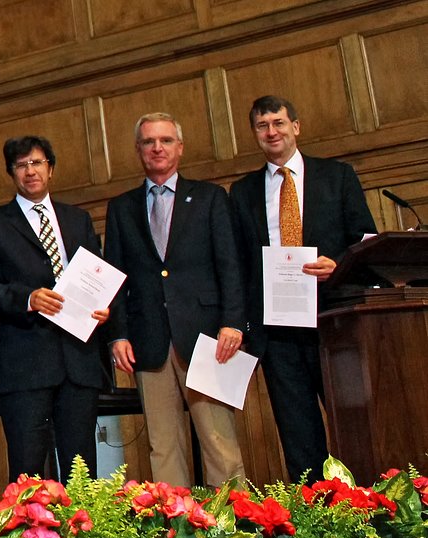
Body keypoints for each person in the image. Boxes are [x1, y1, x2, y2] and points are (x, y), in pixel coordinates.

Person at [229, 95, 377, 482]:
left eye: (278, 122)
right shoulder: (241, 192)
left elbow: (367, 241)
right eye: (262, 126)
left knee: (355, 429)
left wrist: (339, 265)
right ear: (255, 134)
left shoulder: (337, 176)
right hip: (277, 335)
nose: (271, 132)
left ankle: (368, 520)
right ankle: (315, 522)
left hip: (333, 323)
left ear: (296, 126)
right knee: (298, 439)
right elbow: (240, 263)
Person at [104, 112, 246, 488]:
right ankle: (176, 526)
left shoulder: (210, 198)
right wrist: (117, 334)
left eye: (165, 140)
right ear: (138, 150)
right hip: (148, 340)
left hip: (206, 339)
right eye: (149, 142)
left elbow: (230, 265)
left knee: (218, 440)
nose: (157, 148)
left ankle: (233, 526)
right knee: (162, 445)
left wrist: (233, 321)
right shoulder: (121, 207)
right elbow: (114, 278)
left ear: (179, 148)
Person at [0, 135, 109, 483]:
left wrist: (103, 307)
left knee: (83, 472)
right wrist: (27, 299)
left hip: (78, 361)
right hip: (25, 364)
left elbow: (99, 274)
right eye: (21, 165)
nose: (30, 171)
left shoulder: (77, 219)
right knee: (28, 471)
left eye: (37, 163)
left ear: (50, 169)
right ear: (11, 173)